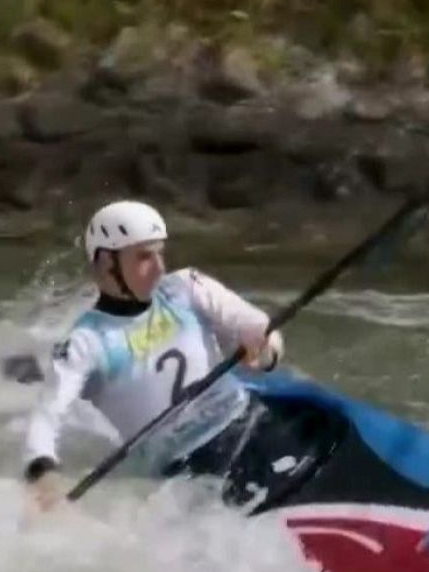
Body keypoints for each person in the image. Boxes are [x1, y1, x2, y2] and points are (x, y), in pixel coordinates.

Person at [19, 199, 290, 514]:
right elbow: (47, 416)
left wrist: (266, 352)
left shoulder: (186, 288)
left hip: (250, 422)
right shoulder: (87, 343)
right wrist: (43, 473)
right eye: (144, 257)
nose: (160, 267)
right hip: (188, 470)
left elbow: (261, 328)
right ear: (107, 263)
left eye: (160, 253)